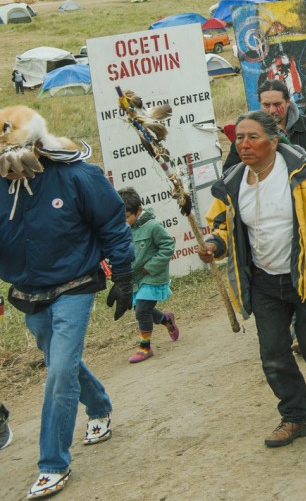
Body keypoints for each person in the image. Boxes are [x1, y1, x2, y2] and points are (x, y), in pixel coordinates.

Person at [203, 110, 306, 445]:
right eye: (240, 138)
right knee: (273, 353)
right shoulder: (233, 183)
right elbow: (221, 225)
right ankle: (295, 418)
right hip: (264, 283)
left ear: (274, 141)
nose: (244, 145)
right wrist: (214, 245)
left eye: (253, 137)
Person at [0, 107, 134, 499]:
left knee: (58, 371)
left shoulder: (78, 176)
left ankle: (53, 464)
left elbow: (112, 222)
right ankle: (99, 407)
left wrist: (123, 275)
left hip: (75, 283)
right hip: (28, 290)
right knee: (57, 356)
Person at [118, 187, 180, 363]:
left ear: (138, 210)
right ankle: (167, 320)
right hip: (136, 278)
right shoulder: (124, 229)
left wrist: (151, 266)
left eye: (127, 217)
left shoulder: (152, 226)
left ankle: (145, 347)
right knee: (141, 309)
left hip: (153, 276)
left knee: (142, 310)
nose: (124, 221)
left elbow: (168, 246)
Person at [223, 80, 306, 171]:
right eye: (266, 105)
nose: (272, 110)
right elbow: (229, 174)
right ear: (260, 104)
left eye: (277, 104)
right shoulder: (248, 133)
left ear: (288, 102)